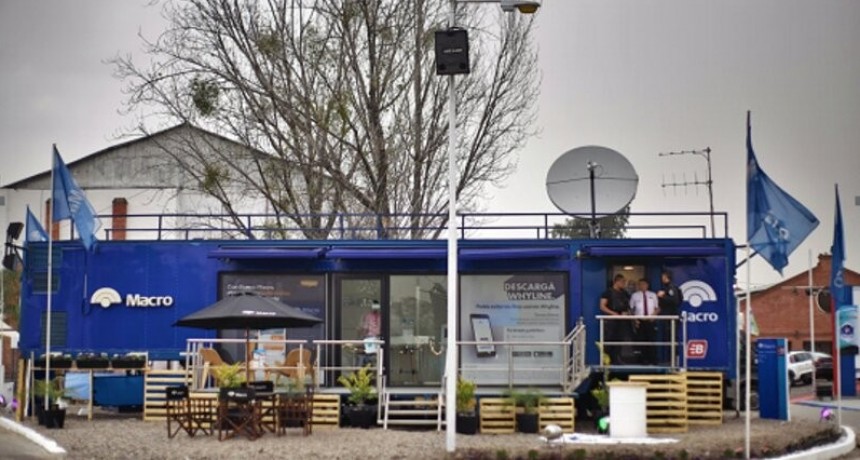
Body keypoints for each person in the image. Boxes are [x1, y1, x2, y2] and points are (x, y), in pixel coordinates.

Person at [599, 274, 632, 365]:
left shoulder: (624, 293)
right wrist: (614, 314)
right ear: (616, 282)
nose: (624, 284)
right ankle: (607, 360)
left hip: (622, 320)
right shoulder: (607, 292)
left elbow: (629, 305)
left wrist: (627, 313)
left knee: (620, 339)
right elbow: (602, 306)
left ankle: (617, 359)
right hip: (611, 320)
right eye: (622, 282)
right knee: (609, 339)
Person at [630, 278, 659, 364]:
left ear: (647, 285)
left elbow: (657, 308)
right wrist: (634, 320)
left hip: (650, 320)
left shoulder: (653, 295)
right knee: (641, 340)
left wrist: (654, 316)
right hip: (640, 321)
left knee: (651, 340)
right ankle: (642, 360)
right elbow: (631, 309)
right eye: (640, 284)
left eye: (644, 284)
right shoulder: (634, 295)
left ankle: (652, 360)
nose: (642, 286)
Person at [657, 271, 684, 365]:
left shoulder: (671, 287)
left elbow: (675, 300)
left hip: (671, 317)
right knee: (668, 338)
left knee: (672, 338)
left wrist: (662, 296)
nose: (661, 278)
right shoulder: (666, 287)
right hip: (667, 317)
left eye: (663, 277)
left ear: (666, 277)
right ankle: (670, 360)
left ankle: (673, 361)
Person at [358, 300, 382, 366]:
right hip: (374, 338)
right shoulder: (370, 316)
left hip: (373, 338)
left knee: (371, 355)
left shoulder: (370, 316)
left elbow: (365, 328)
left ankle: (371, 367)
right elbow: (365, 328)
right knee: (372, 355)